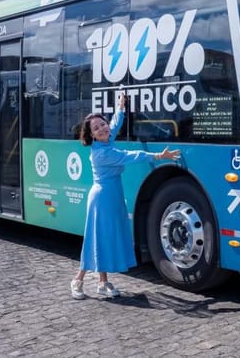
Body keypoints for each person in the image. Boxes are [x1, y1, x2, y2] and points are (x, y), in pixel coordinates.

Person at [70, 92, 181, 299]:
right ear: (91, 135)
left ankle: (103, 283)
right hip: (102, 199)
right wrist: (158, 155)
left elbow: (114, 125)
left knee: (105, 239)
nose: (102, 129)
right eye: (96, 128)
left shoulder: (106, 140)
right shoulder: (102, 152)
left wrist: (121, 108)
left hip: (112, 195)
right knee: (96, 238)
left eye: (102, 124)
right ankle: (78, 280)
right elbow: (129, 156)